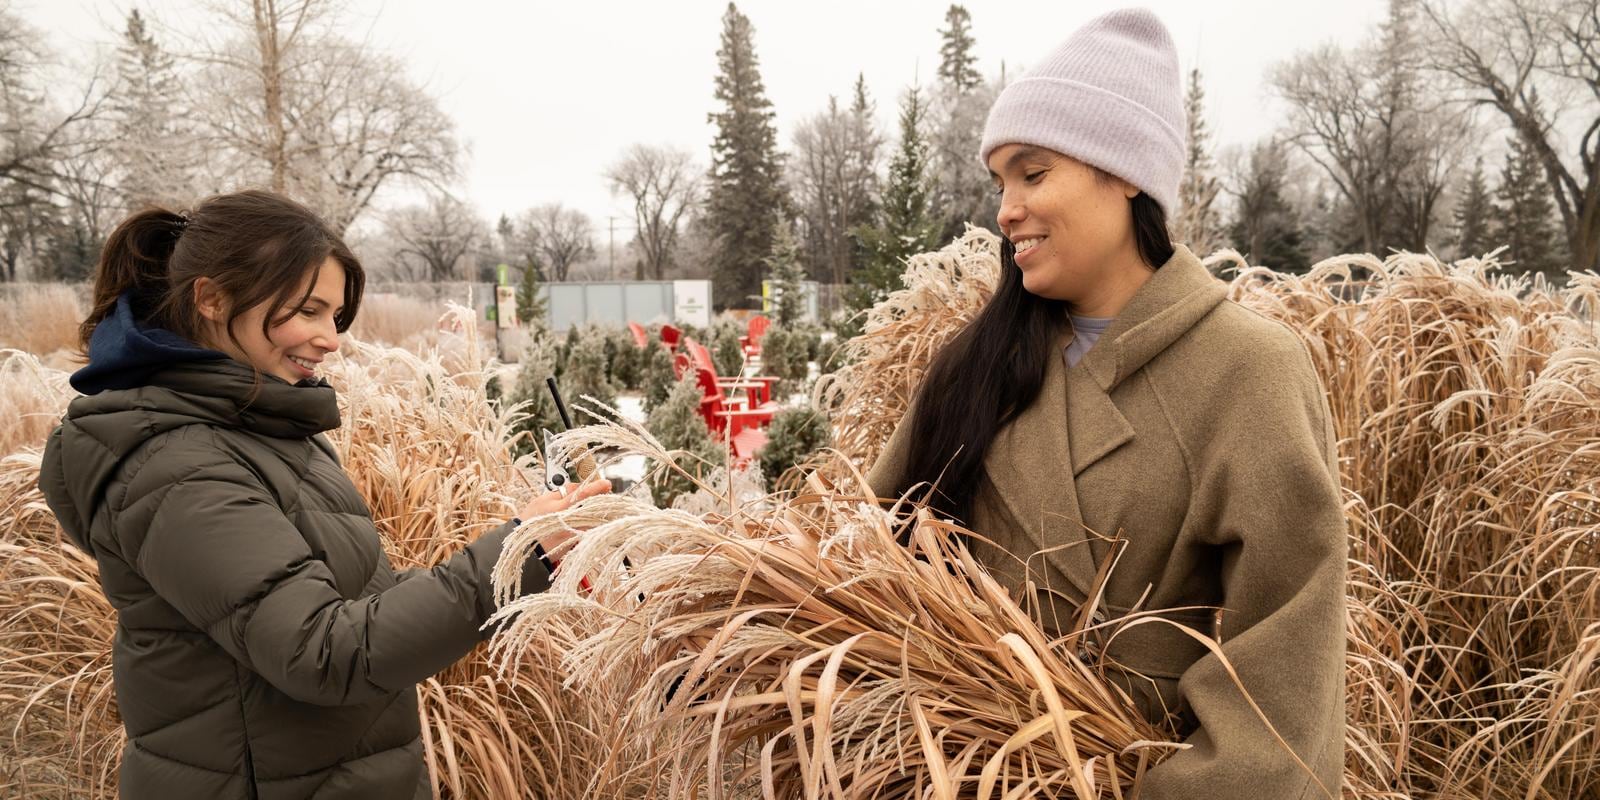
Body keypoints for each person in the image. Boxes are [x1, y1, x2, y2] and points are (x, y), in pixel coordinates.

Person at [866, 10, 1346, 799]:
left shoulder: (1250, 371)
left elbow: (1285, 680)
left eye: (1033, 173)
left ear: (1125, 172)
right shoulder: (977, 361)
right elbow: (863, 550)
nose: (1005, 209)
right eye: (1000, 184)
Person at [37, 189, 607, 799]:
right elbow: (325, 652)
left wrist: (525, 546)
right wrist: (519, 552)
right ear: (211, 299)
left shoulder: (252, 427)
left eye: (335, 316)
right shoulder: (175, 462)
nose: (331, 338)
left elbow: (349, 603)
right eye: (308, 311)